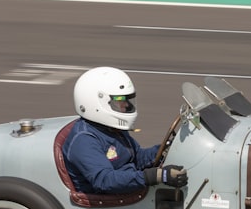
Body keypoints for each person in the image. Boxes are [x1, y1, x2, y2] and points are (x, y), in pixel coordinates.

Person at [62, 67, 187, 195]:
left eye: (127, 99)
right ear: (96, 103)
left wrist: (166, 149)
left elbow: (137, 158)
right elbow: (105, 181)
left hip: (128, 187)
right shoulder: (84, 140)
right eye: (120, 100)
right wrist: (158, 176)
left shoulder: (111, 129)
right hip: (111, 201)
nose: (127, 105)